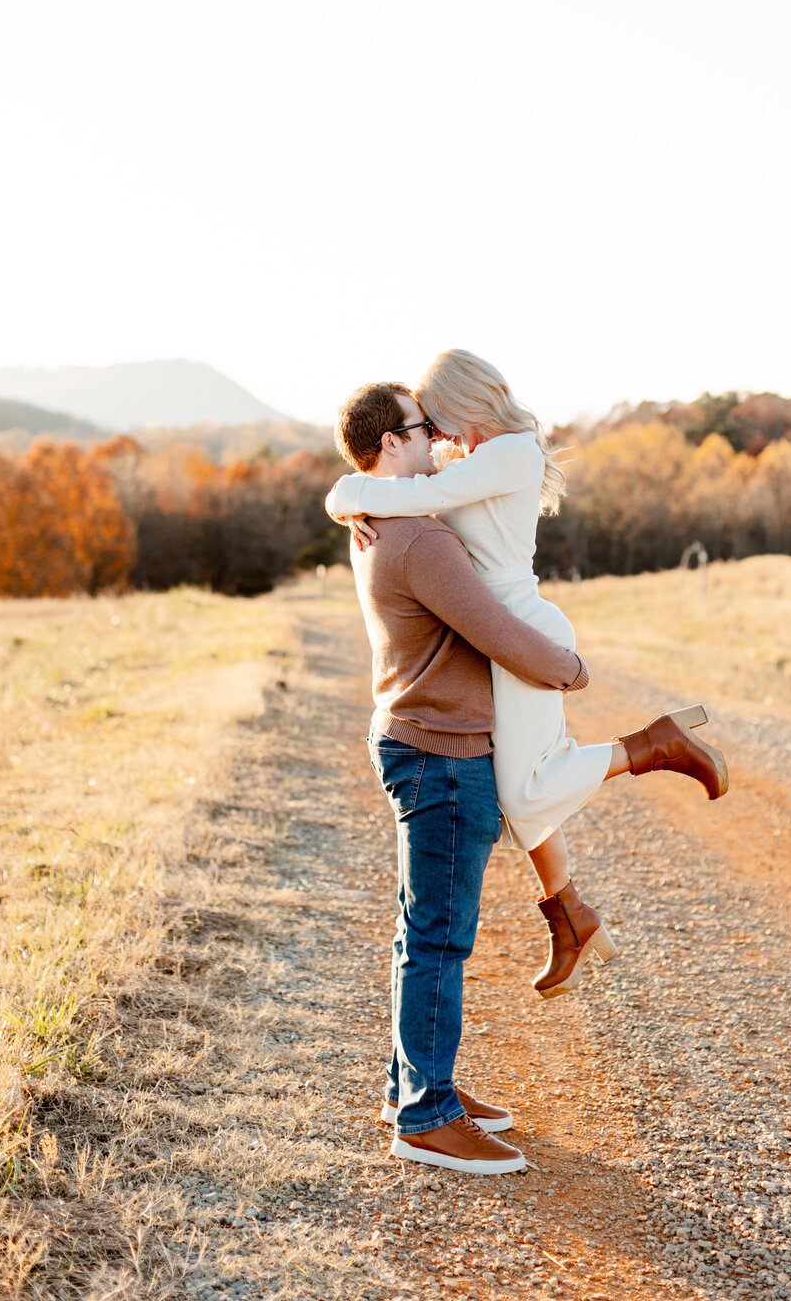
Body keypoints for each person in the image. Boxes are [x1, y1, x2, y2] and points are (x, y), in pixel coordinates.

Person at [327, 350, 728, 1002]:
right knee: (517, 795)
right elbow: (411, 493)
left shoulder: (512, 453)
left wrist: (348, 496)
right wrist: (350, 502)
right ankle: (568, 914)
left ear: (464, 400)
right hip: (501, 638)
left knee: (520, 796)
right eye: (424, 426)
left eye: (437, 420)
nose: (437, 434)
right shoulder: (472, 460)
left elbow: (419, 496)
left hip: (522, 634)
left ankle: (653, 746)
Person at [335, 380, 596, 1176]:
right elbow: (499, 632)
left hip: (414, 739)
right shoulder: (421, 541)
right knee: (440, 936)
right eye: (423, 431)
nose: (438, 443)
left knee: (421, 930)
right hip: (443, 753)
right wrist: (570, 669)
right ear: (391, 445)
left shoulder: (378, 521)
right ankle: (427, 1118)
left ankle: (413, 1087)